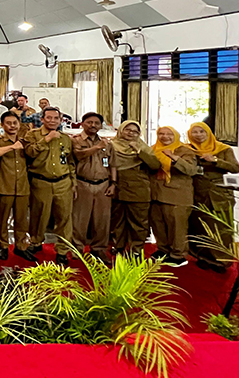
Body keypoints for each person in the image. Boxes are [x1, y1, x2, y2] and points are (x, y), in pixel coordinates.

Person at [24, 106, 76, 265]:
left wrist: (73, 183)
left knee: (64, 217)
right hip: (41, 181)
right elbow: (29, 153)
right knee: (39, 215)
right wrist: (46, 139)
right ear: (42, 119)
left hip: (63, 182)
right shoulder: (32, 135)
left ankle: (62, 250)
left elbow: (70, 161)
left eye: (56, 118)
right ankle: (36, 242)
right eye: (49, 118)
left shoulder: (65, 138)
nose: (52, 121)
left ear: (60, 120)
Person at [187, 122, 239, 272]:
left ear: (208, 133)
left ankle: (222, 261)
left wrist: (215, 160)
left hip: (219, 194)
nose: (198, 135)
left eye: (202, 131)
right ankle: (203, 257)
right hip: (197, 193)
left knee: (221, 228)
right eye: (194, 132)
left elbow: (235, 168)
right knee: (199, 227)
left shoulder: (223, 149)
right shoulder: (187, 149)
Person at [111, 120, 161, 256]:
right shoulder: (111, 145)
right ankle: (118, 246)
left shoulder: (143, 147)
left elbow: (155, 165)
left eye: (135, 131)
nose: (131, 133)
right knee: (117, 221)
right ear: (121, 130)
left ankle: (136, 250)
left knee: (138, 222)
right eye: (127, 130)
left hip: (138, 190)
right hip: (117, 188)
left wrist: (139, 151)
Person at [150, 126, 198, 267]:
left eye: (169, 134)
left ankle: (178, 255)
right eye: (161, 133)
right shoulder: (153, 149)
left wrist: (173, 157)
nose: (165, 137)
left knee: (177, 227)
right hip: (155, 193)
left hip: (177, 195)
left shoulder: (185, 150)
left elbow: (191, 170)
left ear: (176, 135)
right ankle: (163, 250)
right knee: (158, 224)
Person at [71, 112, 116, 262]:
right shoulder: (75, 140)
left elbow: (112, 164)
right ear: (82, 124)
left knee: (102, 220)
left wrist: (113, 183)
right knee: (79, 220)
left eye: (97, 123)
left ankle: (99, 249)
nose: (93, 125)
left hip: (103, 185)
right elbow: (78, 156)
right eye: (89, 122)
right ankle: (77, 250)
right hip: (82, 183)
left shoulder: (107, 143)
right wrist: (97, 147)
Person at [0, 112, 33, 261]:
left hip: (22, 186)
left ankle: (20, 246)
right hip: (4, 185)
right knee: (2, 219)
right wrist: (13, 147)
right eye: (8, 123)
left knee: (21, 219)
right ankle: (3, 246)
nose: (12, 126)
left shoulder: (25, 142)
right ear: (2, 125)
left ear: (19, 124)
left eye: (15, 123)